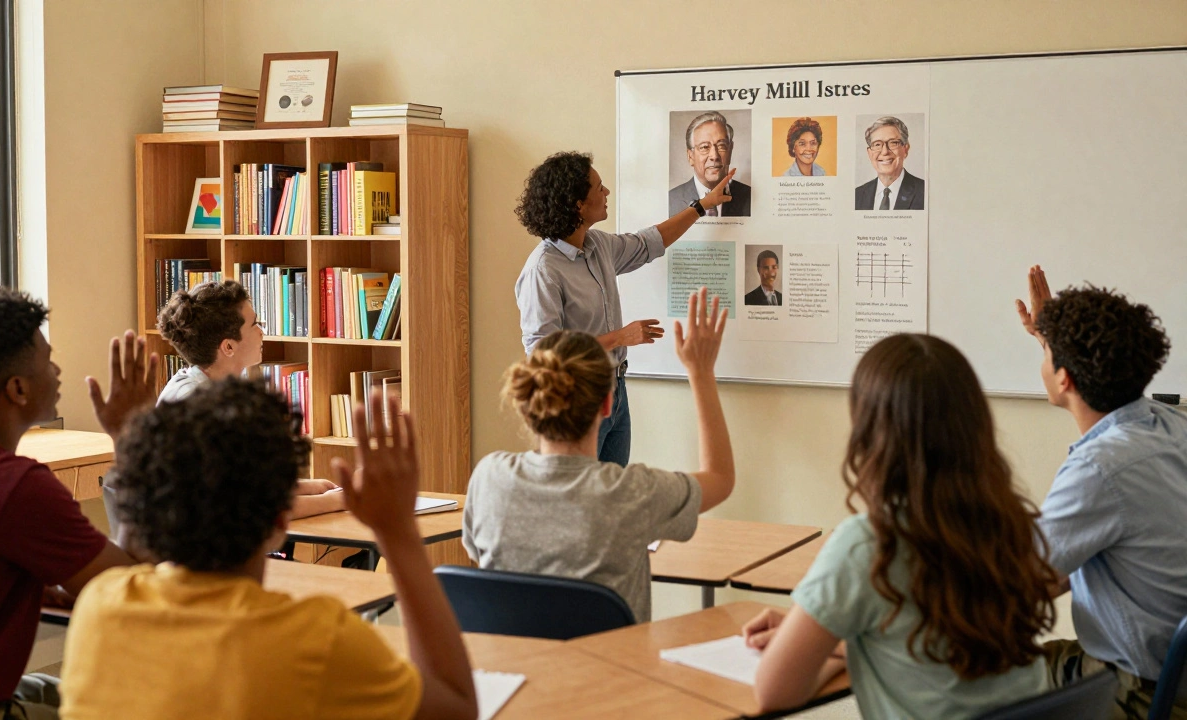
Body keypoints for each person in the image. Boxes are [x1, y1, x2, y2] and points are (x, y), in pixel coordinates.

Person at [59, 380, 478, 720]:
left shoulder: (100, 605)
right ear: (282, 519)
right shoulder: (318, 641)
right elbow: (457, 707)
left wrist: (129, 442)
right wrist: (398, 531)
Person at [743, 334, 1057, 719]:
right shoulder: (1012, 524)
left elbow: (774, 692)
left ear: (869, 433)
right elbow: (933, 650)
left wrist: (826, 642)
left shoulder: (869, 544)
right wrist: (839, 641)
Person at [0, 289, 153, 720]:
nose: (58, 371)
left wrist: (32, 588)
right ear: (18, 389)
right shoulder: (15, 487)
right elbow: (133, 592)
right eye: (48, 361)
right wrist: (131, 438)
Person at [467, 288, 734, 622]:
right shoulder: (632, 493)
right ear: (608, 404)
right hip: (613, 673)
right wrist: (701, 372)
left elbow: (479, 555)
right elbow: (720, 479)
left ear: (528, 403)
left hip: (517, 670)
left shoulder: (489, 478)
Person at [1016, 266, 1187, 720]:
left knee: (955, 674)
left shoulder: (1099, 469)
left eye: (1047, 354)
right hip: (1176, 668)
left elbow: (1020, 580)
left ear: (1065, 378)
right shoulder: (1170, 426)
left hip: (1145, 694)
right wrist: (1054, 340)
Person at [516, 152, 732, 467]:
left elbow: (650, 243)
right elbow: (541, 354)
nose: (606, 193)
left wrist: (702, 205)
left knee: (610, 500)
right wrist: (618, 338)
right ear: (578, 204)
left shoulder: (598, 246)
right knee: (583, 502)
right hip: (577, 402)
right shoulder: (543, 270)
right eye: (599, 187)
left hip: (615, 391)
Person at [105, 280, 343, 533]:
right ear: (228, 346)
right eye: (254, 325)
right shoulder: (195, 404)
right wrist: (336, 501)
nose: (262, 331)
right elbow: (252, 508)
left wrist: (308, 487)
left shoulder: (217, 386)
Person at [668, 111, 753, 216]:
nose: (714, 156)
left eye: (721, 146)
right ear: (690, 156)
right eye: (704, 147)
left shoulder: (750, 197)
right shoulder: (671, 201)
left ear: (730, 151)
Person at [854, 116, 925, 211]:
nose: (884, 152)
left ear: (905, 149)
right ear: (869, 153)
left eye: (893, 143)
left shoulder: (924, 191)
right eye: (877, 144)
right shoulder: (857, 195)